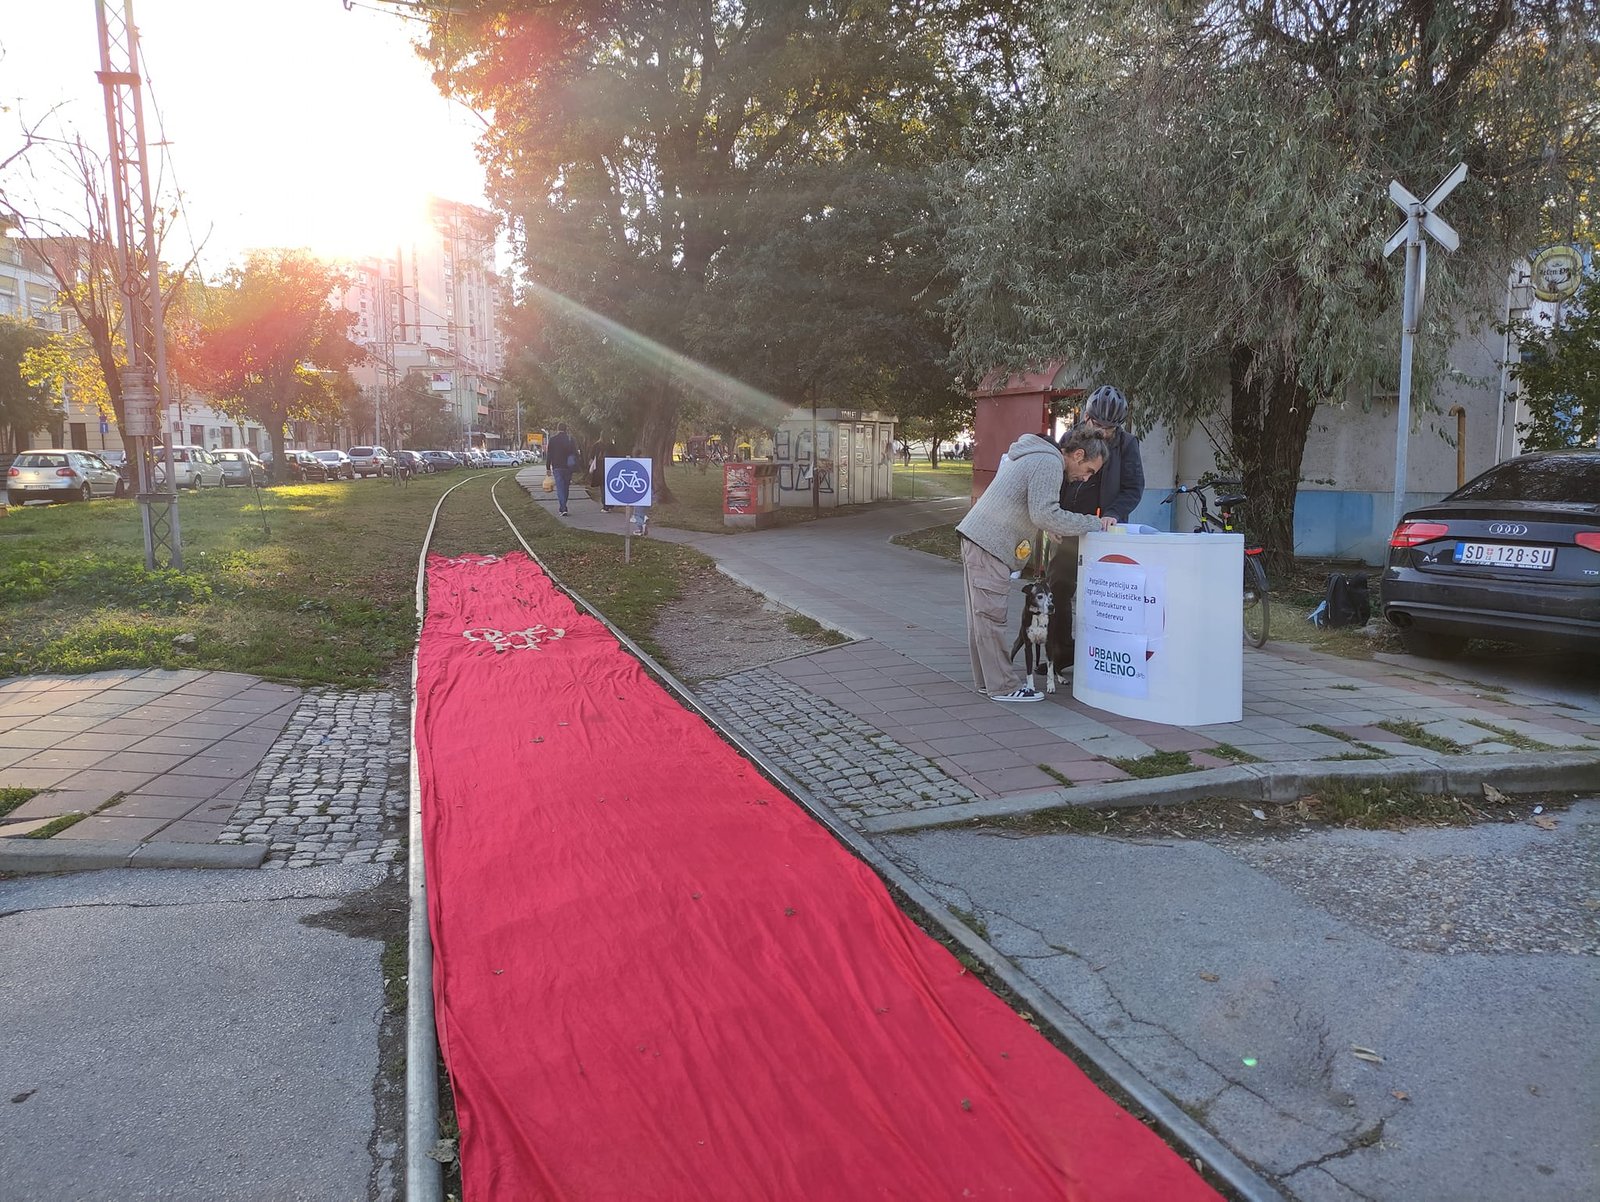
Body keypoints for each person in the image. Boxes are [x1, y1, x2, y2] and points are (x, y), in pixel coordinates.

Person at [955, 425, 1114, 703]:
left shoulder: (1036, 455)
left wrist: (1049, 526)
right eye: (1089, 470)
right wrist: (1093, 523)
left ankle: (988, 682)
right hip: (991, 543)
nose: (1086, 478)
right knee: (991, 617)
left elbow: (1029, 506)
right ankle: (1003, 686)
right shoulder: (1049, 462)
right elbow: (1044, 513)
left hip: (978, 538)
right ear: (1078, 455)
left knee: (981, 619)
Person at [1047, 385, 1144, 647]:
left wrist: (1114, 513)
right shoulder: (1070, 438)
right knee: (1058, 588)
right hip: (1068, 527)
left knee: (1104, 593)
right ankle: (1059, 652)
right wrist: (1051, 519)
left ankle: (1101, 651)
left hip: (1104, 531)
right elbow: (1056, 479)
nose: (1103, 432)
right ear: (1087, 417)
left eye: (1109, 428)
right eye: (1098, 425)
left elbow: (1134, 488)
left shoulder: (1127, 444)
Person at [546, 423, 579, 516]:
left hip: (557, 467)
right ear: (566, 429)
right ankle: (563, 507)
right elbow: (575, 453)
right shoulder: (570, 439)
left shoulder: (553, 440)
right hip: (568, 467)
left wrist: (548, 467)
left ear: (558, 429)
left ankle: (563, 508)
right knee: (566, 488)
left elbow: (549, 454)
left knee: (560, 488)